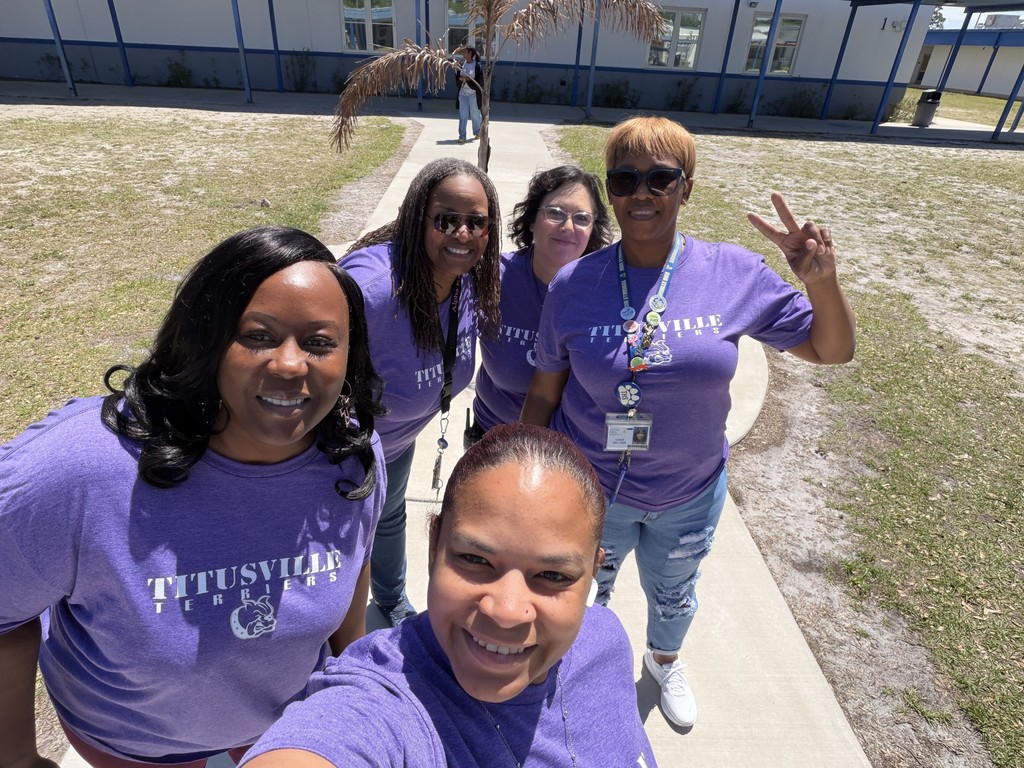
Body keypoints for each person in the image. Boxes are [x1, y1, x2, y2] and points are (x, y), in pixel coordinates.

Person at [0, 226, 386, 767]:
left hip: (282, 725)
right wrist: (13, 756)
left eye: (320, 343)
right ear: (205, 338)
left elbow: (356, 556)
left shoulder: (352, 456)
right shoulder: (79, 469)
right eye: (257, 335)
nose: (291, 364)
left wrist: (347, 681)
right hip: (134, 745)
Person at [522, 115, 855, 729]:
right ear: (611, 191)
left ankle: (662, 661)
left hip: (688, 491)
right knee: (580, 592)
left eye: (660, 178)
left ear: (687, 186)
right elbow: (544, 393)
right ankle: (573, 665)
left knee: (673, 594)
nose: (642, 194)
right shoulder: (573, 285)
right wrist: (528, 476)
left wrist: (822, 283)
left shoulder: (733, 273)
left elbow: (830, 350)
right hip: (591, 490)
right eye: (625, 180)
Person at [239, 423, 658, 767]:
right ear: (434, 542)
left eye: (552, 574)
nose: (508, 611)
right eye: (475, 559)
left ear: (593, 571)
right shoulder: (386, 697)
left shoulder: (606, 640)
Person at [341, 157, 501, 627]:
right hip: (337, 453)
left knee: (390, 519)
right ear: (417, 218)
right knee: (342, 550)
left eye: (477, 222)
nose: (463, 234)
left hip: (397, 441)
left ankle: (390, 601)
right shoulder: (370, 288)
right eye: (447, 219)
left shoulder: (470, 279)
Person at [466, 165, 612, 448]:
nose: (568, 227)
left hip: (572, 447)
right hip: (492, 436)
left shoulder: (608, 292)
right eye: (555, 213)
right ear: (532, 220)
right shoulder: (494, 278)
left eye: (582, 218)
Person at [456, 46, 483, 144]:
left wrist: (467, 79)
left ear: (470, 53)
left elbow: (480, 81)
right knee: (463, 115)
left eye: (465, 52)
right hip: (463, 94)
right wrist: (460, 78)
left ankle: (478, 132)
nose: (463, 54)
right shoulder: (461, 64)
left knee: (475, 114)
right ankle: (462, 136)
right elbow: (457, 78)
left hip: (473, 94)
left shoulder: (477, 66)